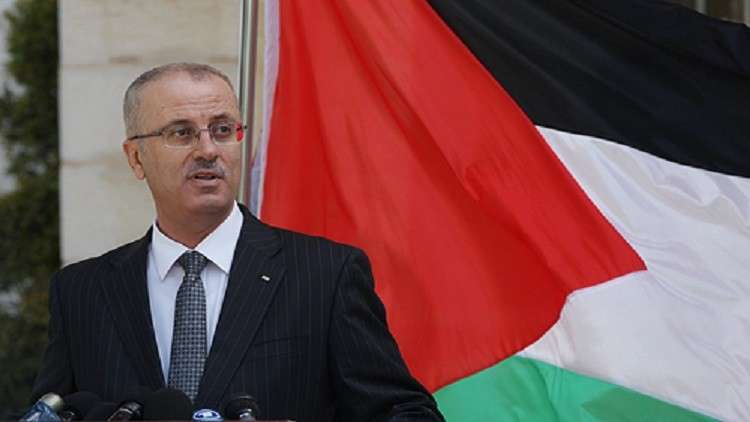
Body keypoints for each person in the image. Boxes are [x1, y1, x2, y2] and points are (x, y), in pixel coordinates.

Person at [32, 63, 443, 421]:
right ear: (136, 158)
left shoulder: (326, 275)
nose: (208, 150)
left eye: (223, 130)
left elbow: (404, 413)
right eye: (182, 133)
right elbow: (47, 413)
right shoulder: (81, 291)